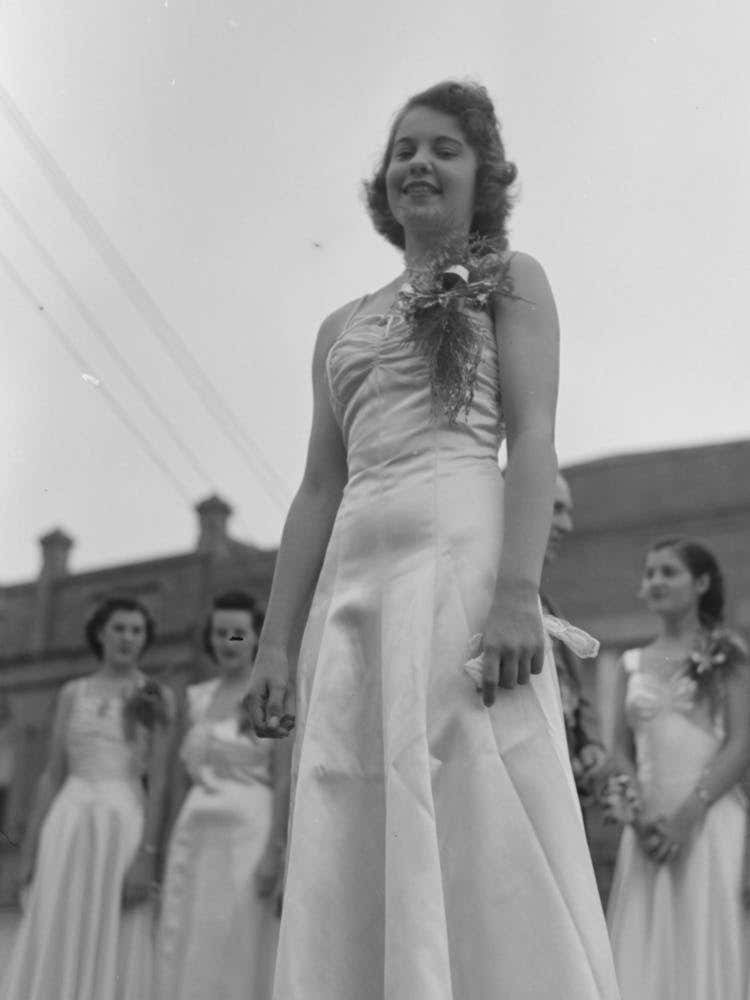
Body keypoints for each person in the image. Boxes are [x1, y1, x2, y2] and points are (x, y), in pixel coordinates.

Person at [245, 79, 620, 999]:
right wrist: (276, 643)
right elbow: (319, 486)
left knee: (474, 799)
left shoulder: (510, 277)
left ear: (481, 177)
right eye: (405, 147)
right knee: (353, 796)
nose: (419, 161)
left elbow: (532, 436)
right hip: (356, 588)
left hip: (459, 565)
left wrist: (515, 593)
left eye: (445, 148)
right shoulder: (340, 326)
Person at [1, 595, 173, 1000]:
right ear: (100, 634)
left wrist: (147, 855)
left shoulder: (156, 695)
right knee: (60, 917)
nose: (128, 638)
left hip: (122, 821)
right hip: (69, 818)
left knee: (114, 926)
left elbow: (161, 780)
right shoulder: (72, 693)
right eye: (119, 629)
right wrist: (29, 851)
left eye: (137, 631)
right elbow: (52, 773)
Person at [606, 538, 750, 1000]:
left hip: (708, 824)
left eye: (669, 572)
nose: (655, 582)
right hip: (648, 831)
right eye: (649, 573)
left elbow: (742, 742)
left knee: (706, 947)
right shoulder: (630, 663)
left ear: (702, 582)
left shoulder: (728, 654)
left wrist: (688, 817)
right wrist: (638, 814)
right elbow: (621, 750)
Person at [154, 591, 291, 1000]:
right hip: (193, 835)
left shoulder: (275, 696)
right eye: (219, 634)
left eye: (237, 634)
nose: (227, 643)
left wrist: (275, 852)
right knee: (189, 937)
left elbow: (283, 778)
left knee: (237, 941)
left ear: (255, 638)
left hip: (247, 835)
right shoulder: (195, 699)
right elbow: (179, 780)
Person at [541, 472, 608, 802]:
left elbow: (573, 691)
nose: (566, 525)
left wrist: (590, 743)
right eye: (555, 509)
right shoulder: (482, 597)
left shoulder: (550, 605)